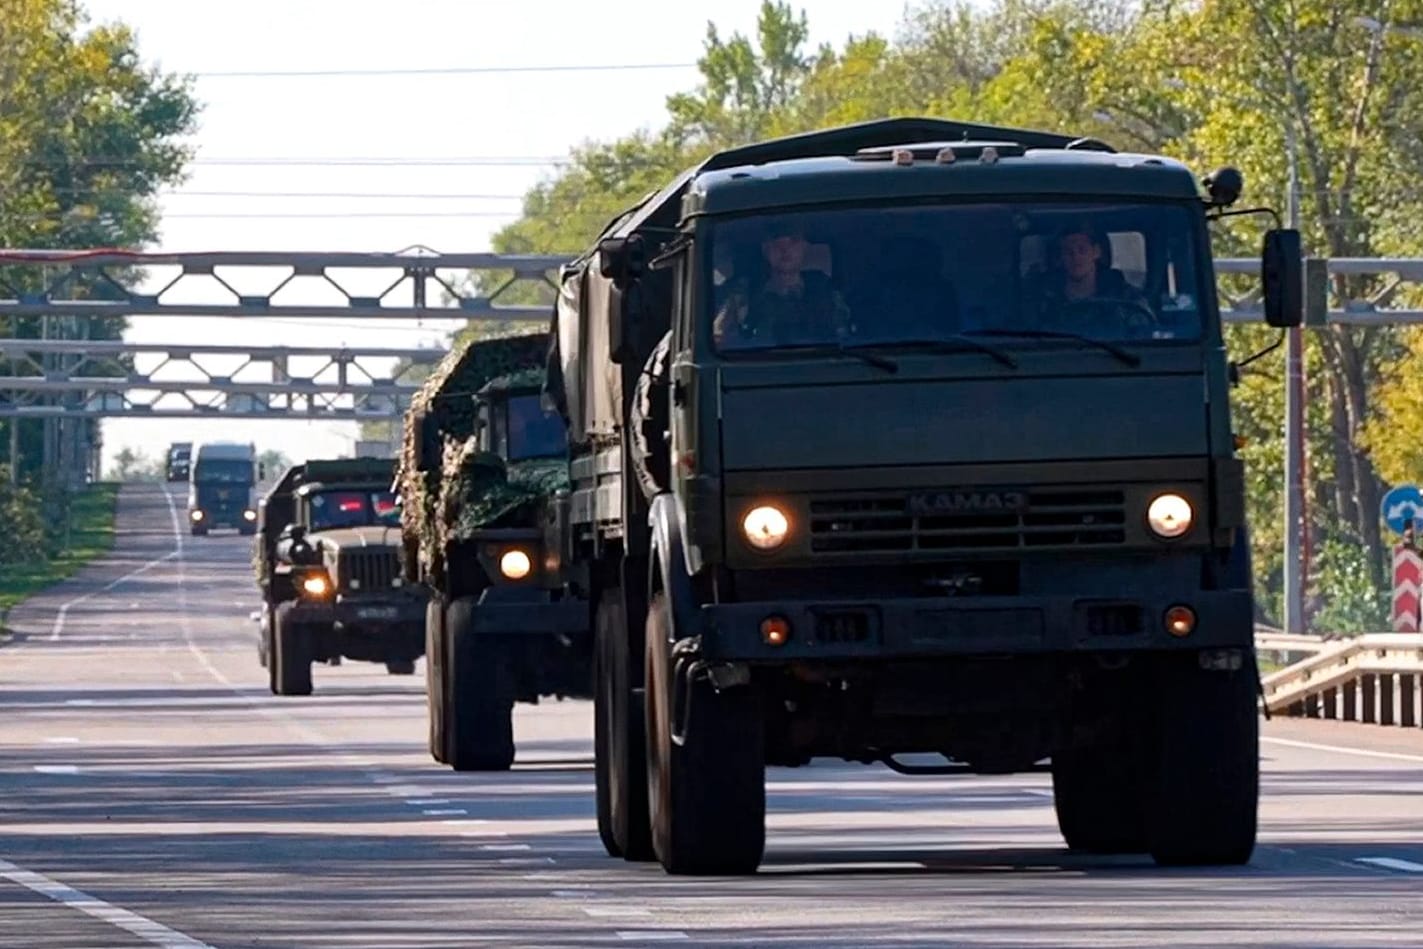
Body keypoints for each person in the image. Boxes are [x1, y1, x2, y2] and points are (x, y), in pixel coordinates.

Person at [713, 219, 851, 348]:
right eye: (776, 243)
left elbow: (845, 338)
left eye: (793, 242)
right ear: (765, 249)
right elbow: (718, 336)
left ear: (804, 247)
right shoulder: (744, 293)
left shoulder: (824, 289)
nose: (785, 250)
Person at [1032, 224, 1153, 332]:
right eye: (1068, 251)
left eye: (1082, 250)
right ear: (1060, 258)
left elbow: (1146, 337)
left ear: (1096, 252)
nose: (1075, 257)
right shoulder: (1044, 303)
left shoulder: (1126, 299)